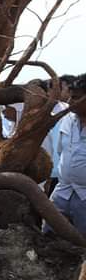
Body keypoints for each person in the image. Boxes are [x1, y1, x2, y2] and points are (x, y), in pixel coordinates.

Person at [45, 75, 86, 236]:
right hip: (62, 192)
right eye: (70, 96)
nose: (70, 101)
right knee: (49, 238)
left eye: (76, 97)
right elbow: (61, 151)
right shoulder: (68, 119)